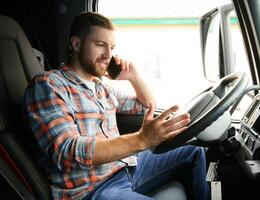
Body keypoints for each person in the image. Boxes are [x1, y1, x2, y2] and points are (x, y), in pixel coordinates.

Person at [23, 11, 209, 200]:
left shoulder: (101, 87)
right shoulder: (49, 84)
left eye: (112, 47)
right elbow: (68, 151)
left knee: (195, 149)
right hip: (93, 189)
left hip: (126, 167)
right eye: (100, 45)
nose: (108, 55)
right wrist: (141, 140)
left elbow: (147, 106)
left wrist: (134, 78)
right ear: (76, 44)